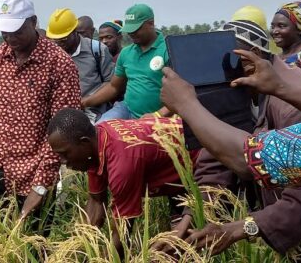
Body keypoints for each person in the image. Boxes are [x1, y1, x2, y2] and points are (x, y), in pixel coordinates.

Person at [159, 50, 301, 263]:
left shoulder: (291, 111)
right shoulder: (242, 97)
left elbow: (249, 158)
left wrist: (186, 104)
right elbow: (214, 166)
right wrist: (190, 215)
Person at [0, 0, 81, 234]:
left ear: (34, 22)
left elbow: (62, 130)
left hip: (34, 174)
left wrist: (41, 185)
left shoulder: (59, 64)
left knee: (34, 244)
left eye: (17, 30)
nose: (10, 37)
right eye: (5, 32)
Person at [47, 108, 198, 256]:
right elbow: (96, 201)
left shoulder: (122, 163)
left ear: (84, 143)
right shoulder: (97, 140)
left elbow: (123, 230)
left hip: (204, 165)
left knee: (185, 247)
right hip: (178, 170)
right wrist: (76, 250)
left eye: (64, 153)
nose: (63, 161)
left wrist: (106, 258)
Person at [82, 4, 169, 121]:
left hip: (160, 116)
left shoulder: (168, 50)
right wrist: (85, 101)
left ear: (151, 23)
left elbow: (183, 95)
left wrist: (158, 115)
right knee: (101, 131)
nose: (131, 33)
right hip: (127, 109)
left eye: (136, 29)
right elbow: (113, 87)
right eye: (129, 30)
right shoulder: (126, 53)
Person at [46, 8, 113, 122]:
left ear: (75, 31)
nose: (59, 44)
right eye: (55, 40)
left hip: (92, 111)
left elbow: (111, 83)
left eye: (63, 39)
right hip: (60, 112)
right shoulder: (51, 54)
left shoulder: (97, 50)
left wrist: (86, 101)